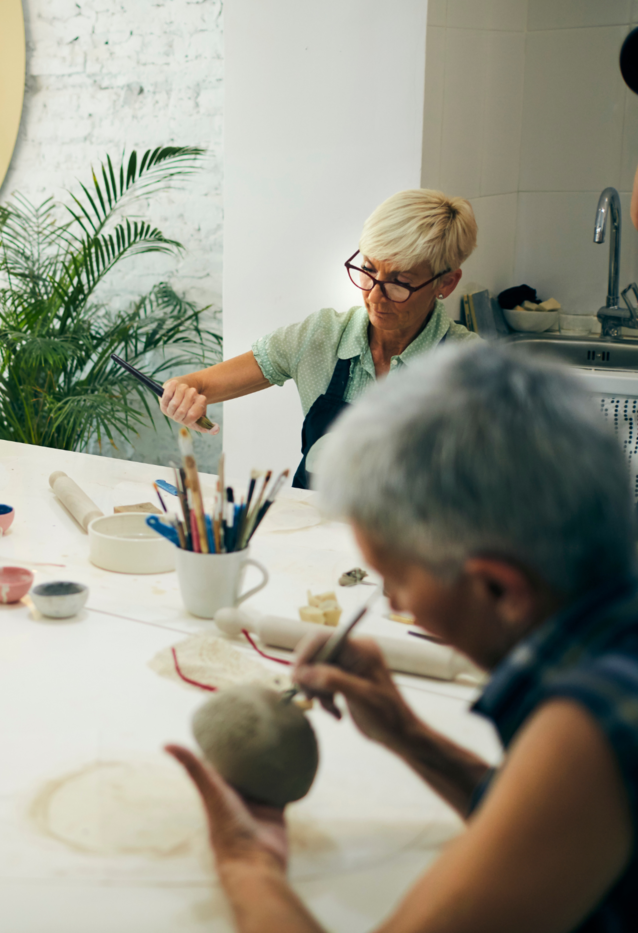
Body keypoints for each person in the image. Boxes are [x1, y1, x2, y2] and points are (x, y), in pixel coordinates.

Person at [168, 343, 638, 933]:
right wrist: (408, 733)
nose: (388, 603)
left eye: (396, 581)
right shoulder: (612, 638)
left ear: (500, 588)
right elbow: (541, 819)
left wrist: (246, 863)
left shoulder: (592, 725)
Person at [158, 189, 478, 488]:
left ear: (446, 283)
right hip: (313, 536)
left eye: (401, 282)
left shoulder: (474, 371)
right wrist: (181, 395)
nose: (375, 296)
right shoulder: (322, 336)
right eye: (367, 270)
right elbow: (197, 385)